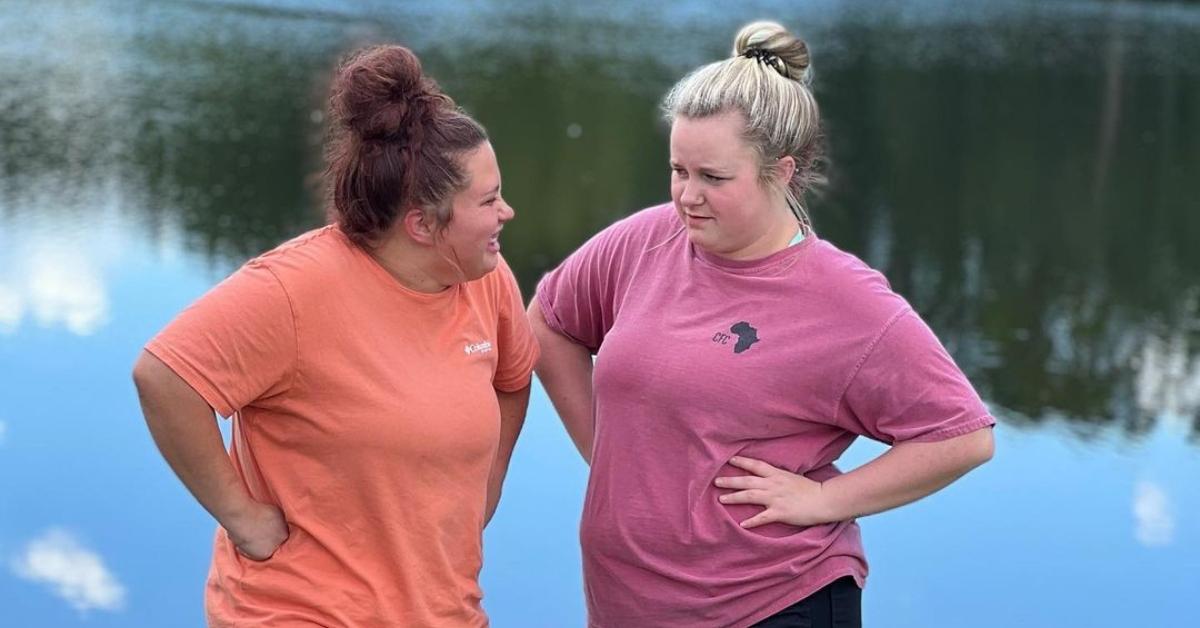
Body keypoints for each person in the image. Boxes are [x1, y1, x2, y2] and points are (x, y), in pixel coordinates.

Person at [529, 21, 995, 628]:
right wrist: (608, 451)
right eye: (678, 170)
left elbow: (961, 436)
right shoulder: (646, 241)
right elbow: (550, 323)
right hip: (628, 603)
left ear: (782, 171)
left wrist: (826, 499)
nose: (687, 197)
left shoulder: (844, 301)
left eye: (714, 178)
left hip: (771, 602)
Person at [132, 44, 538, 627]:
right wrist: (242, 517)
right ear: (422, 225)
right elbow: (165, 377)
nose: (508, 213)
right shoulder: (292, 291)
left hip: (444, 609)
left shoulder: (485, 277)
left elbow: (513, 380)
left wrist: (486, 489)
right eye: (489, 199)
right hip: (302, 611)